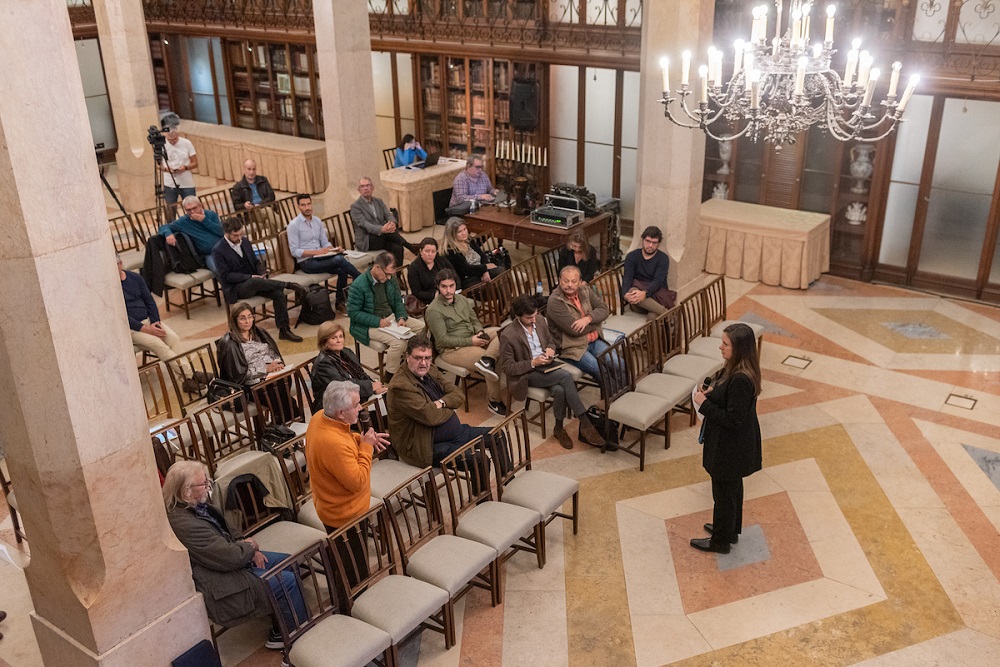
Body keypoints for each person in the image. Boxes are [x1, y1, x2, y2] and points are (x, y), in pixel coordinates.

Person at [163, 460, 305, 649]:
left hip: (235, 559)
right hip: (220, 580)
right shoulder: (184, 524)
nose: (208, 487)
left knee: (289, 562)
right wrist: (250, 549)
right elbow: (226, 557)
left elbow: (230, 529)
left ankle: (281, 628)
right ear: (185, 491)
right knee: (285, 581)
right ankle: (297, 640)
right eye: (203, 484)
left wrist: (249, 548)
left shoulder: (196, 503)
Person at [690, 323, 762, 554]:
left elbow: (734, 420)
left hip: (731, 447)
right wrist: (713, 392)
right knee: (730, 491)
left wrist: (704, 404)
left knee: (723, 494)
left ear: (739, 348)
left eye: (725, 344)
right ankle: (728, 530)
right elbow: (727, 394)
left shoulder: (741, 379)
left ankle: (720, 541)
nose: (720, 347)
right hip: (732, 445)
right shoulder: (735, 368)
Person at [499, 296, 604, 449]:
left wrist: (550, 349)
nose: (534, 320)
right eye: (529, 318)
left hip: (547, 365)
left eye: (535, 315)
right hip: (527, 373)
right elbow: (507, 367)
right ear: (518, 316)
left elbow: (550, 341)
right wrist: (533, 363)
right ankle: (585, 422)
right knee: (565, 376)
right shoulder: (508, 335)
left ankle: (558, 428)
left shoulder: (540, 320)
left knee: (560, 390)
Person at [386, 337, 494, 467]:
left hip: (455, 433)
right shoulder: (400, 386)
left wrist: (441, 403)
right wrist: (450, 404)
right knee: (479, 460)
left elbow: (458, 394)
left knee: (496, 435)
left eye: (427, 358)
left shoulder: (430, 369)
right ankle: (483, 488)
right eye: (418, 358)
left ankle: (507, 481)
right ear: (407, 356)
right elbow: (430, 416)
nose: (424, 363)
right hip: (425, 445)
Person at [306, 381, 389, 532]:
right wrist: (366, 447)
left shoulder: (320, 416)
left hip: (332, 503)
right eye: (356, 404)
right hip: (345, 517)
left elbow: (345, 436)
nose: (360, 408)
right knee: (355, 556)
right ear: (341, 413)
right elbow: (358, 483)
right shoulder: (332, 443)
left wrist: (361, 439)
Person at [424, 269, 505, 416]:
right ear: (438, 287)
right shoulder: (433, 310)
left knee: (503, 333)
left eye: (451, 286)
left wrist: (480, 332)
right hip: (453, 349)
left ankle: (488, 360)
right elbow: (443, 340)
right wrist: (471, 341)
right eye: (444, 286)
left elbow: (474, 320)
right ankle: (494, 401)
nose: (448, 290)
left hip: (473, 337)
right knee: (487, 356)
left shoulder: (461, 299)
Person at [212, 218, 306, 342]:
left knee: (278, 293)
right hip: (237, 288)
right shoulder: (218, 250)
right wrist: (249, 277)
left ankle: (284, 330)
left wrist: (261, 272)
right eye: (236, 235)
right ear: (227, 233)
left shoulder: (244, 242)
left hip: (256, 283)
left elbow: (256, 262)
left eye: (241, 234)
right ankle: (288, 285)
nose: (239, 237)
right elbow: (225, 276)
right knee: (254, 282)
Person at [346, 251, 425, 378]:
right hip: (367, 325)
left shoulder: (390, 279)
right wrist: (377, 321)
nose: (389, 278)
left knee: (423, 328)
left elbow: (397, 300)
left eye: (391, 274)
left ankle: (409, 363)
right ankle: (391, 374)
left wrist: (401, 316)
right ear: (377, 267)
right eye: (387, 274)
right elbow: (353, 313)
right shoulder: (358, 286)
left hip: (390, 318)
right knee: (399, 343)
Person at [287, 194, 360, 312]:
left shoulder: (317, 221)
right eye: (303, 205)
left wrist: (333, 249)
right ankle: (362, 279)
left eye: (309, 204)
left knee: (342, 268)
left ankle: (339, 302)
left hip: (321, 258)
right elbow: (294, 251)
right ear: (298, 207)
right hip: (307, 263)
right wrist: (317, 252)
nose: (307, 207)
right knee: (340, 260)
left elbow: (325, 242)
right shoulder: (294, 225)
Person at [119, 254, 190, 373]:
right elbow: (121, 316)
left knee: (173, 338)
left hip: (149, 321)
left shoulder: (135, 278)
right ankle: (190, 375)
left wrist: (155, 322)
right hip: (132, 329)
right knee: (158, 344)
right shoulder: (111, 288)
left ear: (120, 263)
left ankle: (187, 378)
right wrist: (146, 329)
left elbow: (150, 301)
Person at [546, 265, 612, 381]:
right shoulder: (555, 301)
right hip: (572, 348)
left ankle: (625, 392)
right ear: (559, 281)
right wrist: (597, 322)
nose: (569, 285)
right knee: (599, 369)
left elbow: (604, 309)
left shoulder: (585, 290)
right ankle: (613, 397)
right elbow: (574, 330)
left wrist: (588, 319)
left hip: (594, 340)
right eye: (566, 281)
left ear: (580, 282)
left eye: (573, 281)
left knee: (617, 362)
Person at [310, 322, 385, 414]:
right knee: (385, 415)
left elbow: (360, 373)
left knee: (390, 401)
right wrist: (370, 387)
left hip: (353, 398)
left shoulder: (346, 352)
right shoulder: (323, 364)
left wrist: (374, 385)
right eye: (334, 338)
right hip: (336, 408)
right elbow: (343, 386)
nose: (339, 340)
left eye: (341, 336)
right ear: (324, 342)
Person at [216, 302, 286, 394]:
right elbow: (238, 377)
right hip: (253, 385)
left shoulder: (259, 332)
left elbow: (274, 353)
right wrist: (265, 369)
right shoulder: (230, 344)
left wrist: (277, 363)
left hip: (271, 375)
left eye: (250, 316)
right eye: (242, 318)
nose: (247, 321)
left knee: (285, 381)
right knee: (278, 391)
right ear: (234, 320)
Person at [350, 176, 415, 265]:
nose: (365, 188)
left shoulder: (378, 201)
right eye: (362, 186)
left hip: (383, 237)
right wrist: (382, 229)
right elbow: (365, 225)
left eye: (368, 185)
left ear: (372, 188)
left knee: (398, 248)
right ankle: (409, 246)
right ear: (359, 190)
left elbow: (388, 215)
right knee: (387, 234)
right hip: (367, 240)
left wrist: (392, 223)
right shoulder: (355, 207)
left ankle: (397, 275)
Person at [158, 195, 224, 273]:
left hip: (224, 248)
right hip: (209, 254)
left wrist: (204, 220)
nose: (192, 212)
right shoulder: (184, 221)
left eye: (194, 208)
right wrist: (168, 233)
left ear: (200, 205)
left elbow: (222, 232)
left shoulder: (210, 214)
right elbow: (163, 227)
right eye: (188, 210)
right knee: (219, 269)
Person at [622, 225, 673, 315]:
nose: (650, 245)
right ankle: (667, 313)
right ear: (643, 240)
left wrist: (645, 293)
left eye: (654, 243)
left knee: (653, 317)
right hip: (637, 301)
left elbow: (658, 281)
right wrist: (625, 294)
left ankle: (662, 313)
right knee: (632, 291)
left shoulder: (663, 258)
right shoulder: (632, 256)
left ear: (659, 243)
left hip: (656, 295)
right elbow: (627, 278)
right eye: (648, 241)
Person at [441, 217, 504, 289]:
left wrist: (485, 271)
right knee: (497, 280)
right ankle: (506, 299)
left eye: (465, 229)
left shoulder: (468, 240)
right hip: (468, 280)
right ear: (452, 234)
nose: (464, 233)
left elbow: (482, 255)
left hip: (480, 272)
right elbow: (466, 269)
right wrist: (485, 267)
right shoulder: (450, 250)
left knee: (501, 271)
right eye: (459, 232)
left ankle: (506, 299)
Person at [159, 125, 198, 220]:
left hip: (186, 182)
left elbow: (195, 162)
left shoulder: (186, 143)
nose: (172, 142)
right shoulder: (161, 145)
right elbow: (157, 165)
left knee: (193, 208)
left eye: (175, 139)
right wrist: (166, 169)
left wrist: (186, 167)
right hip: (169, 183)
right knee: (170, 210)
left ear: (178, 135)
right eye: (169, 140)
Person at [406, 237, 454, 306]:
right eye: (427, 251)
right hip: (428, 301)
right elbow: (416, 292)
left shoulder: (441, 260)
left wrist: (452, 289)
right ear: (421, 251)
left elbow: (454, 275)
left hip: (448, 294)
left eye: (433, 252)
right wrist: (435, 295)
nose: (430, 254)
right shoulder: (414, 268)